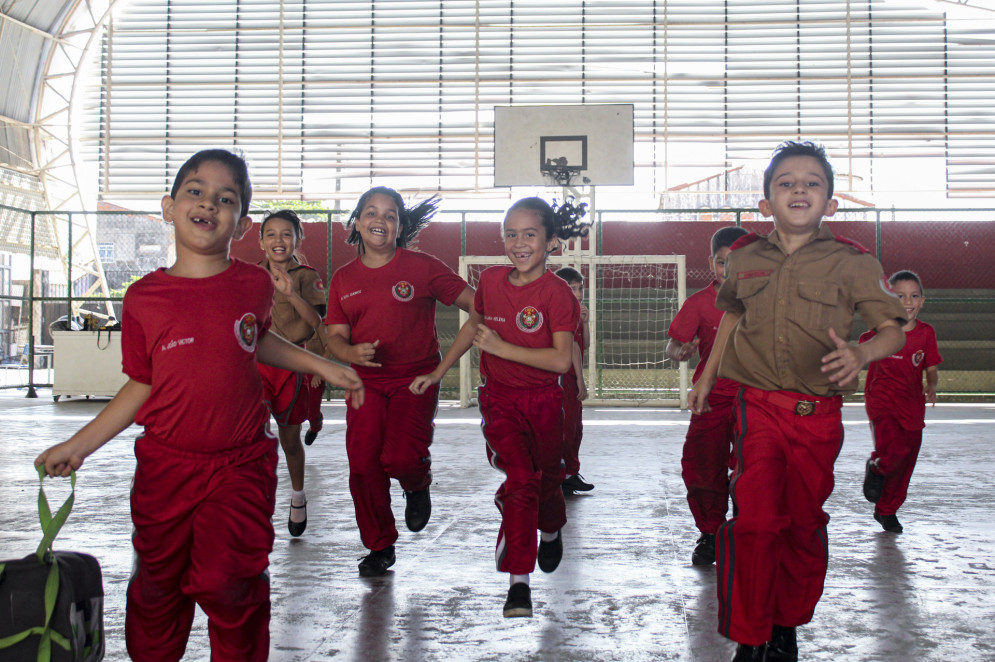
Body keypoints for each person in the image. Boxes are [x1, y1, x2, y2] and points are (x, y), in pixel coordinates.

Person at [35, 149, 363, 662]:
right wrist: (79, 445)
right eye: (195, 191)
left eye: (225, 198)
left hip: (240, 466)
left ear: (242, 223)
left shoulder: (252, 284)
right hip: (165, 470)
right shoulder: (144, 298)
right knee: (157, 590)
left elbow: (256, 340)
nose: (208, 203)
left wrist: (321, 366)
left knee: (231, 581)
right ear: (168, 207)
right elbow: (140, 385)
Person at [688, 141, 907, 662]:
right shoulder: (744, 259)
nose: (799, 189)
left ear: (831, 203)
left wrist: (862, 352)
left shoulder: (852, 263)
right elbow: (733, 318)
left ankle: (786, 622)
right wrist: (707, 375)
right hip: (756, 406)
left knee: (803, 523)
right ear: (765, 203)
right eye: (786, 182)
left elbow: (893, 330)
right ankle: (749, 633)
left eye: (812, 182)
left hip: (817, 416)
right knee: (756, 520)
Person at [411, 196, 589, 619]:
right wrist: (439, 372)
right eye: (511, 234)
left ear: (551, 242)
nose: (519, 242)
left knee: (547, 480)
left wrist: (502, 346)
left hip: (545, 402)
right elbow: (474, 326)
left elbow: (561, 360)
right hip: (501, 401)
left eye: (530, 234)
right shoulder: (489, 281)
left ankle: (550, 529)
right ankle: (518, 584)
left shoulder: (560, 295)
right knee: (522, 477)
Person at [324, 186, 474, 577]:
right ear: (356, 222)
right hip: (366, 384)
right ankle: (380, 545)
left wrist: (442, 369)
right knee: (363, 465)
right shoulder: (343, 279)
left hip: (415, 379)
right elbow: (334, 337)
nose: (380, 220)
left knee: (400, 457)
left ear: (400, 226)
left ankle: (417, 481)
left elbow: (479, 305)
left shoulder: (422, 267)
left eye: (390, 215)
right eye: (371, 212)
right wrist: (350, 353)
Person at [666, 225, 748, 566]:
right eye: (720, 262)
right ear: (710, 263)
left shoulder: (768, 301)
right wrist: (678, 351)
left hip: (755, 400)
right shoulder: (699, 303)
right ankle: (711, 531)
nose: (727, 270)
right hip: (711, 398)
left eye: (736, 262)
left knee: (755, 468)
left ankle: (748, 530)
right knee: (701, 465)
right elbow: (673, 345)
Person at [256, 209, 328, 537]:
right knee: (250, 437)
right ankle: (251, 501)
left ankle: (298, 496)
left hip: (292, 366)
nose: (279, 240)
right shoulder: (250, 276)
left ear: (297, 239)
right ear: (261, 242)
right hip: (257, 365)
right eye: (271, 234)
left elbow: (317, 323)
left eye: (286, 234)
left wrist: (291, 293)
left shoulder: (306, 276)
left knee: (289, 439)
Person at [860, 269, 941, 534]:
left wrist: (931, 385)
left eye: (914, 296)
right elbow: (861, 350)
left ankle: (887, 511)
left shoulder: (926, 333)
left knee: (907, 460)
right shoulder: (877, 334)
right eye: (899, 296)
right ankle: (877, 465)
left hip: (912, 407)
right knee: (893, 453)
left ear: (922, 301)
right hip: (881, 403)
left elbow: (930, 366)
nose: (907, 302)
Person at [554, 266, 594, 495]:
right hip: (561, 377)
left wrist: (586, 323)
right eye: (572, 289)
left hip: (570, 376)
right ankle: (559, 473)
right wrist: (581, 379)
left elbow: (584, 343)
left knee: (575, 427)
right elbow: (573, 346)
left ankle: (570, 472)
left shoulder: (577, 311)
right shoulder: (561, 311)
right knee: (565, 428)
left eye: (580, 289)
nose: (578, 294)